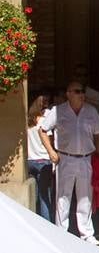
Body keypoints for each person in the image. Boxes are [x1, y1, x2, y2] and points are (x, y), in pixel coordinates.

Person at [39, 81, 99, 244]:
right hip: (65, 157)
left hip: (85, 158)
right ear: (68, 93)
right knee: (63, 196)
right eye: (77, 91)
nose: (81, 94)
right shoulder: (58, 111)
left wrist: (96, 150)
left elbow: (98, 133)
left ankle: (87, 233)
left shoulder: (91, 111)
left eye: (82, 91)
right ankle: (62, 232)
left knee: (86, 197)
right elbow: (42, 130)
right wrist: (51, 152)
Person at [26, 93, 56, 221]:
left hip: (30, 160)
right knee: (45, 195)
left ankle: (33, 221)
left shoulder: (27, 122)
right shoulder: (44, 122)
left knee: (34, 195)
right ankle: (46, 223)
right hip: (44, 161)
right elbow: (49, 140)